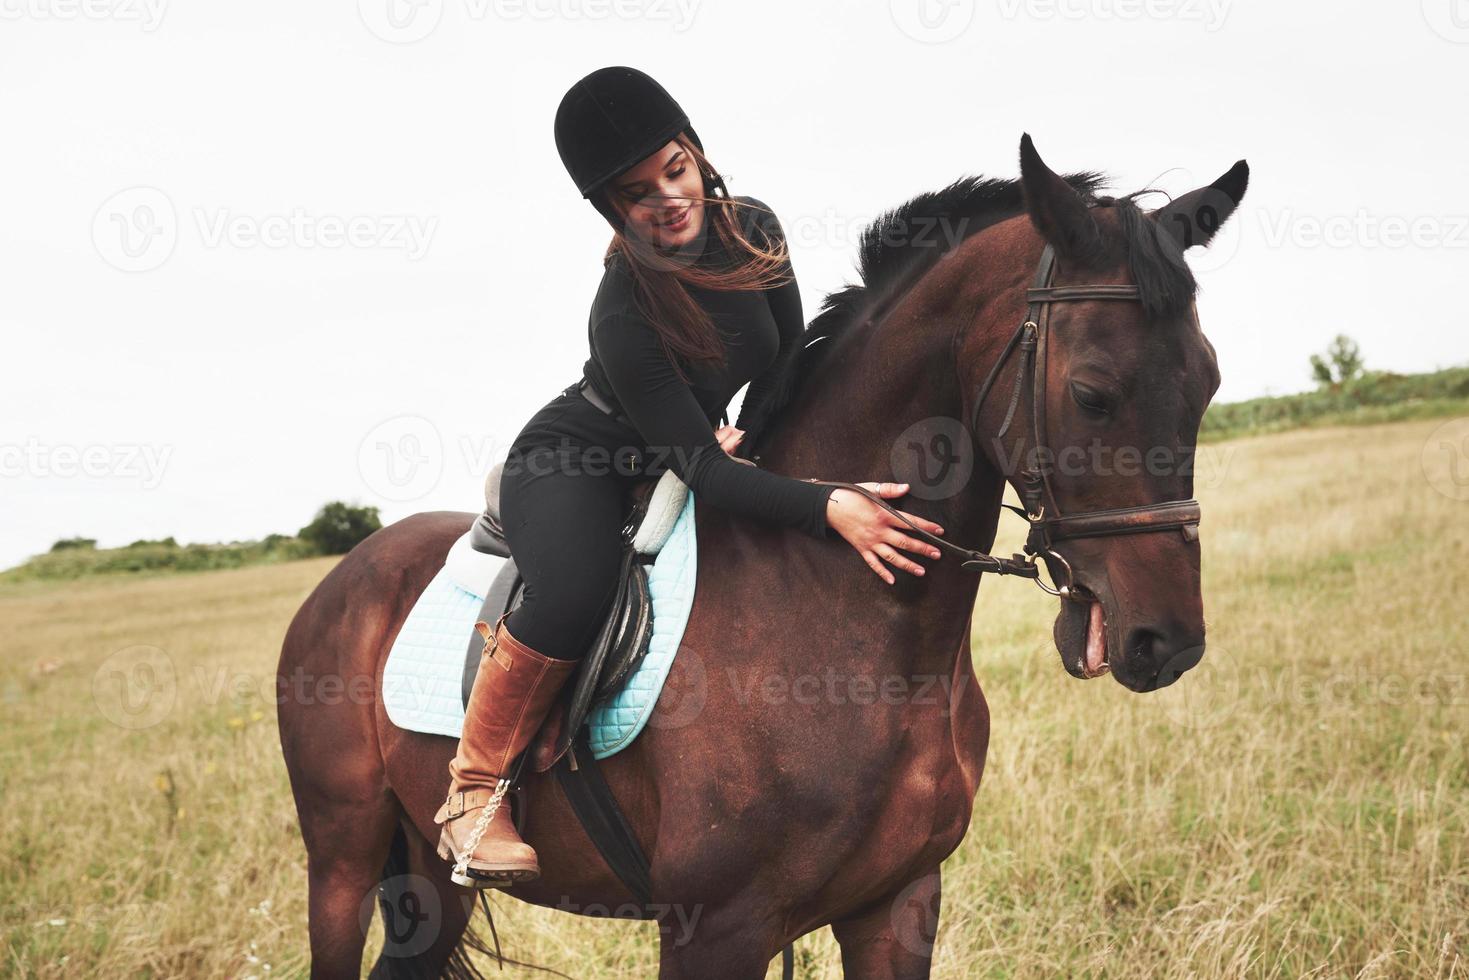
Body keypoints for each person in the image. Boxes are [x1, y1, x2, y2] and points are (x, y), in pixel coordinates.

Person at [435, 66, 946, 888]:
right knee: (573, 588)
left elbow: (785, 364)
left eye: (675, 169)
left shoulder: (752, 227)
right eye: (638, 192)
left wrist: (774, 439)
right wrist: (829, 507)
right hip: (577, 461)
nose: (668, 198)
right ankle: (471, 795)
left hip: (688, 444)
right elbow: (703, 473)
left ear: (697, 156)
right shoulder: (622, 311)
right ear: (611, 208)